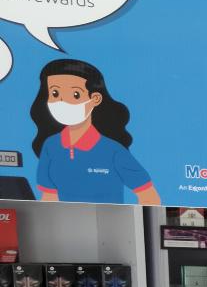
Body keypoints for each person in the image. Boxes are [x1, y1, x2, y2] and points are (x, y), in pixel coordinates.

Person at [29, 59, 159, 205]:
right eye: (55, 93)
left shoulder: (113, 151)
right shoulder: (50, 146)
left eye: (75, 94)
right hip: (65, 218)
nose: (62, 101)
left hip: (108, 219)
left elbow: (149, 196)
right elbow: (49, 197)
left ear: (95, 99)